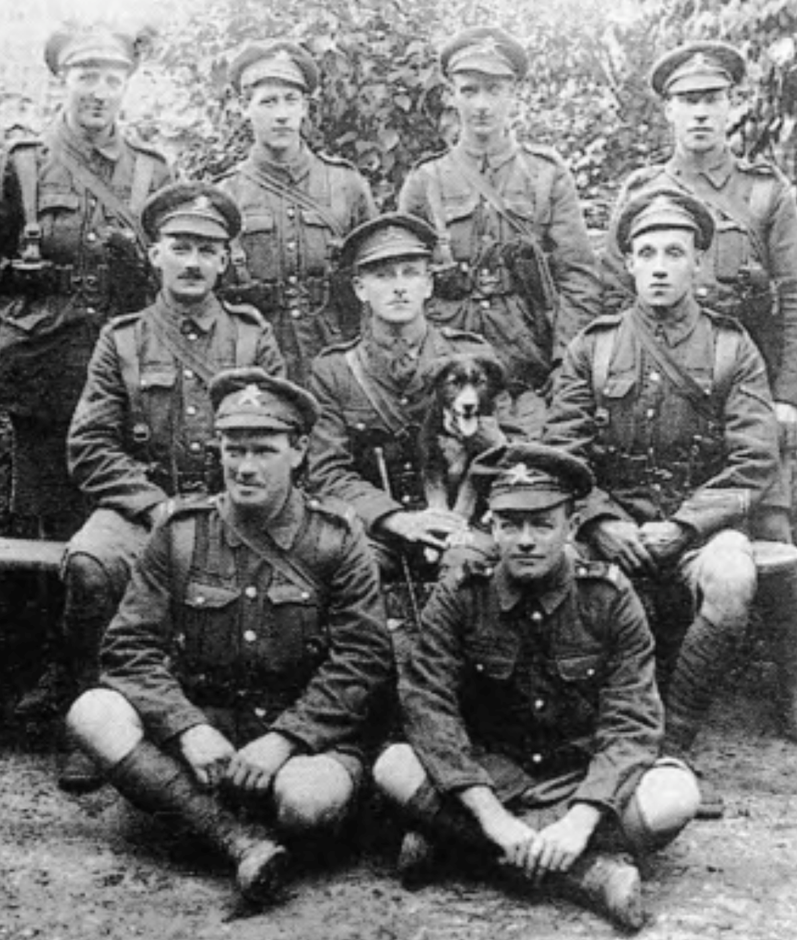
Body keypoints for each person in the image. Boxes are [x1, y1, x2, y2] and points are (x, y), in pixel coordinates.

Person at [66, 367, 392, 907]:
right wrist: (186, 727)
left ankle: (194, 816)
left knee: (307, 801)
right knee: (93, 712)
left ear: (299, 450)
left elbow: (364, 658)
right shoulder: (180, 531)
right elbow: (128, 650)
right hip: (208, 732)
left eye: (263, 450)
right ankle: (237, 840)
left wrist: (288, 737)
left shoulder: (335, 539)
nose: (244, 466)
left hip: (301, 740)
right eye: (233, 448)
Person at [374, 442, 700, 931]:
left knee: (674, 795)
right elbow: (428, 704)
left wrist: (581, 820)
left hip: (579, 775)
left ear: (572, 525)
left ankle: (456, 846)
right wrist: (490, 815)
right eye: (510, 524)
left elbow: (632, 721)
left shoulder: (609, 596)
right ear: (491, 526)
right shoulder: (462, 592)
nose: (525, 540)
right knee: (393, 764)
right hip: (490, 778)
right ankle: (588, 874)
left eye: (543, 524)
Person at [544, 188, 789, 812]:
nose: (659, 267)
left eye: (674, 253)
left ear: (698, 262)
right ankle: (582, 742)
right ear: (628, 263)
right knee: (549, 566)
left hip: (696, 531)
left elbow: (754, 462)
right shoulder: (593, 346)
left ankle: (674, 741)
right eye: (646, 253)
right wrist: (598, 519)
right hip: (610, 528)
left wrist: (685, 526)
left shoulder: (732, 347)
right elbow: (561, 455)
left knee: (732, 574)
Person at [58, 181, 285, 792]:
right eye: (180, 247)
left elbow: (281, 437)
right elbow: (89, 445)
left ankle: (237, 716)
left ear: (225, 260)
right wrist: (154, 505)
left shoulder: (252, 336)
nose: (192, 262)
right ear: (155, 254)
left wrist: (233, 503)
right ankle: (92, 712)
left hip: (232, 504)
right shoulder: (123, 338)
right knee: (90, 563)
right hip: (145, 505)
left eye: (207, 250)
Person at [600, 41, 797, 543]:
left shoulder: (766, 193)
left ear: (732, 104)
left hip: (748, 392)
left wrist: (787, 398)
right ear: (669, 109)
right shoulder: (642, 192)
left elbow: (795, 298)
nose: (701, 112)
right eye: (689, 100)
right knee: (643, 533)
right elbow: (613, 296)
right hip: (659, 393)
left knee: (772, 534)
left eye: (712, 98)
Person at [0, 22, 171, 540]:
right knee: (38, 520)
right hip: (41, 369)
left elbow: (172, 274)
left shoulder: (151, 172)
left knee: (115, 509)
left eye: (113, 80)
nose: (99, 92)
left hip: (123, 367)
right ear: (62, 80)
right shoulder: (22, 164)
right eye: (86, 76)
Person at [398, 26, 600, 438]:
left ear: (514, 93)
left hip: (530, 362)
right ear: (451, 94)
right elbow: (401, 281)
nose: (481, 105)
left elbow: (577, 277)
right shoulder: (425, 181)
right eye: (469, 90)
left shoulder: (545, 176)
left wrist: (565, 364)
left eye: (494, 90)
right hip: (449, 365)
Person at [308, 212, 509, 582]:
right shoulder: (335, 370)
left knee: (467, 570)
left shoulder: (472, 358)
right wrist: (395, 519)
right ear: (359, 288)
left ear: (428, 284)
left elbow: (510, 450)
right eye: (383, 276)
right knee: (345, 567)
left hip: (461, 522)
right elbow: (327, 471)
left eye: (410, 273)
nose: (399, 287)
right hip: (380, 528)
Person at [218, 40, 376, 387]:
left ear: (305, 107)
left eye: (291, 100)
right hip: (255, 361)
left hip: (337, 357)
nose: (281, 114)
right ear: (245, 107)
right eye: (268, 101)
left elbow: (376, 278)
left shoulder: (346, 184)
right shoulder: (226, 195)